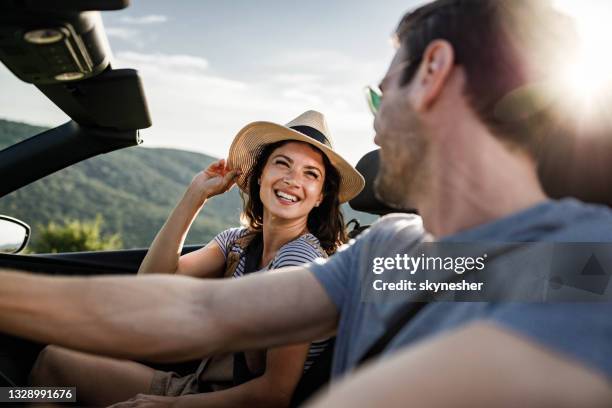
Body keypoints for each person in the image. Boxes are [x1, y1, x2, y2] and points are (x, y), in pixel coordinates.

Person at [1, 0, 612, 407]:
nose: (375, 128)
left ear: (432, 73)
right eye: (281, 164)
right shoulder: (398, 250)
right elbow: (197, 316)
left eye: (378, 96)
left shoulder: (588, 268)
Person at [27, 110, 365, 407]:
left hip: (230, 403)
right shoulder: (240, 242)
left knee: (53, 369)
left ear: (321, 197)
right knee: (53, 365)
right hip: (196, 390)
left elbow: (274, 395)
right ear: (260, 175)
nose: (293, 180)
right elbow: (152, 282)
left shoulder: (300, 267)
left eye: (311, 174)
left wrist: (169, 405)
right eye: (282, 163)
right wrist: (195, 195)